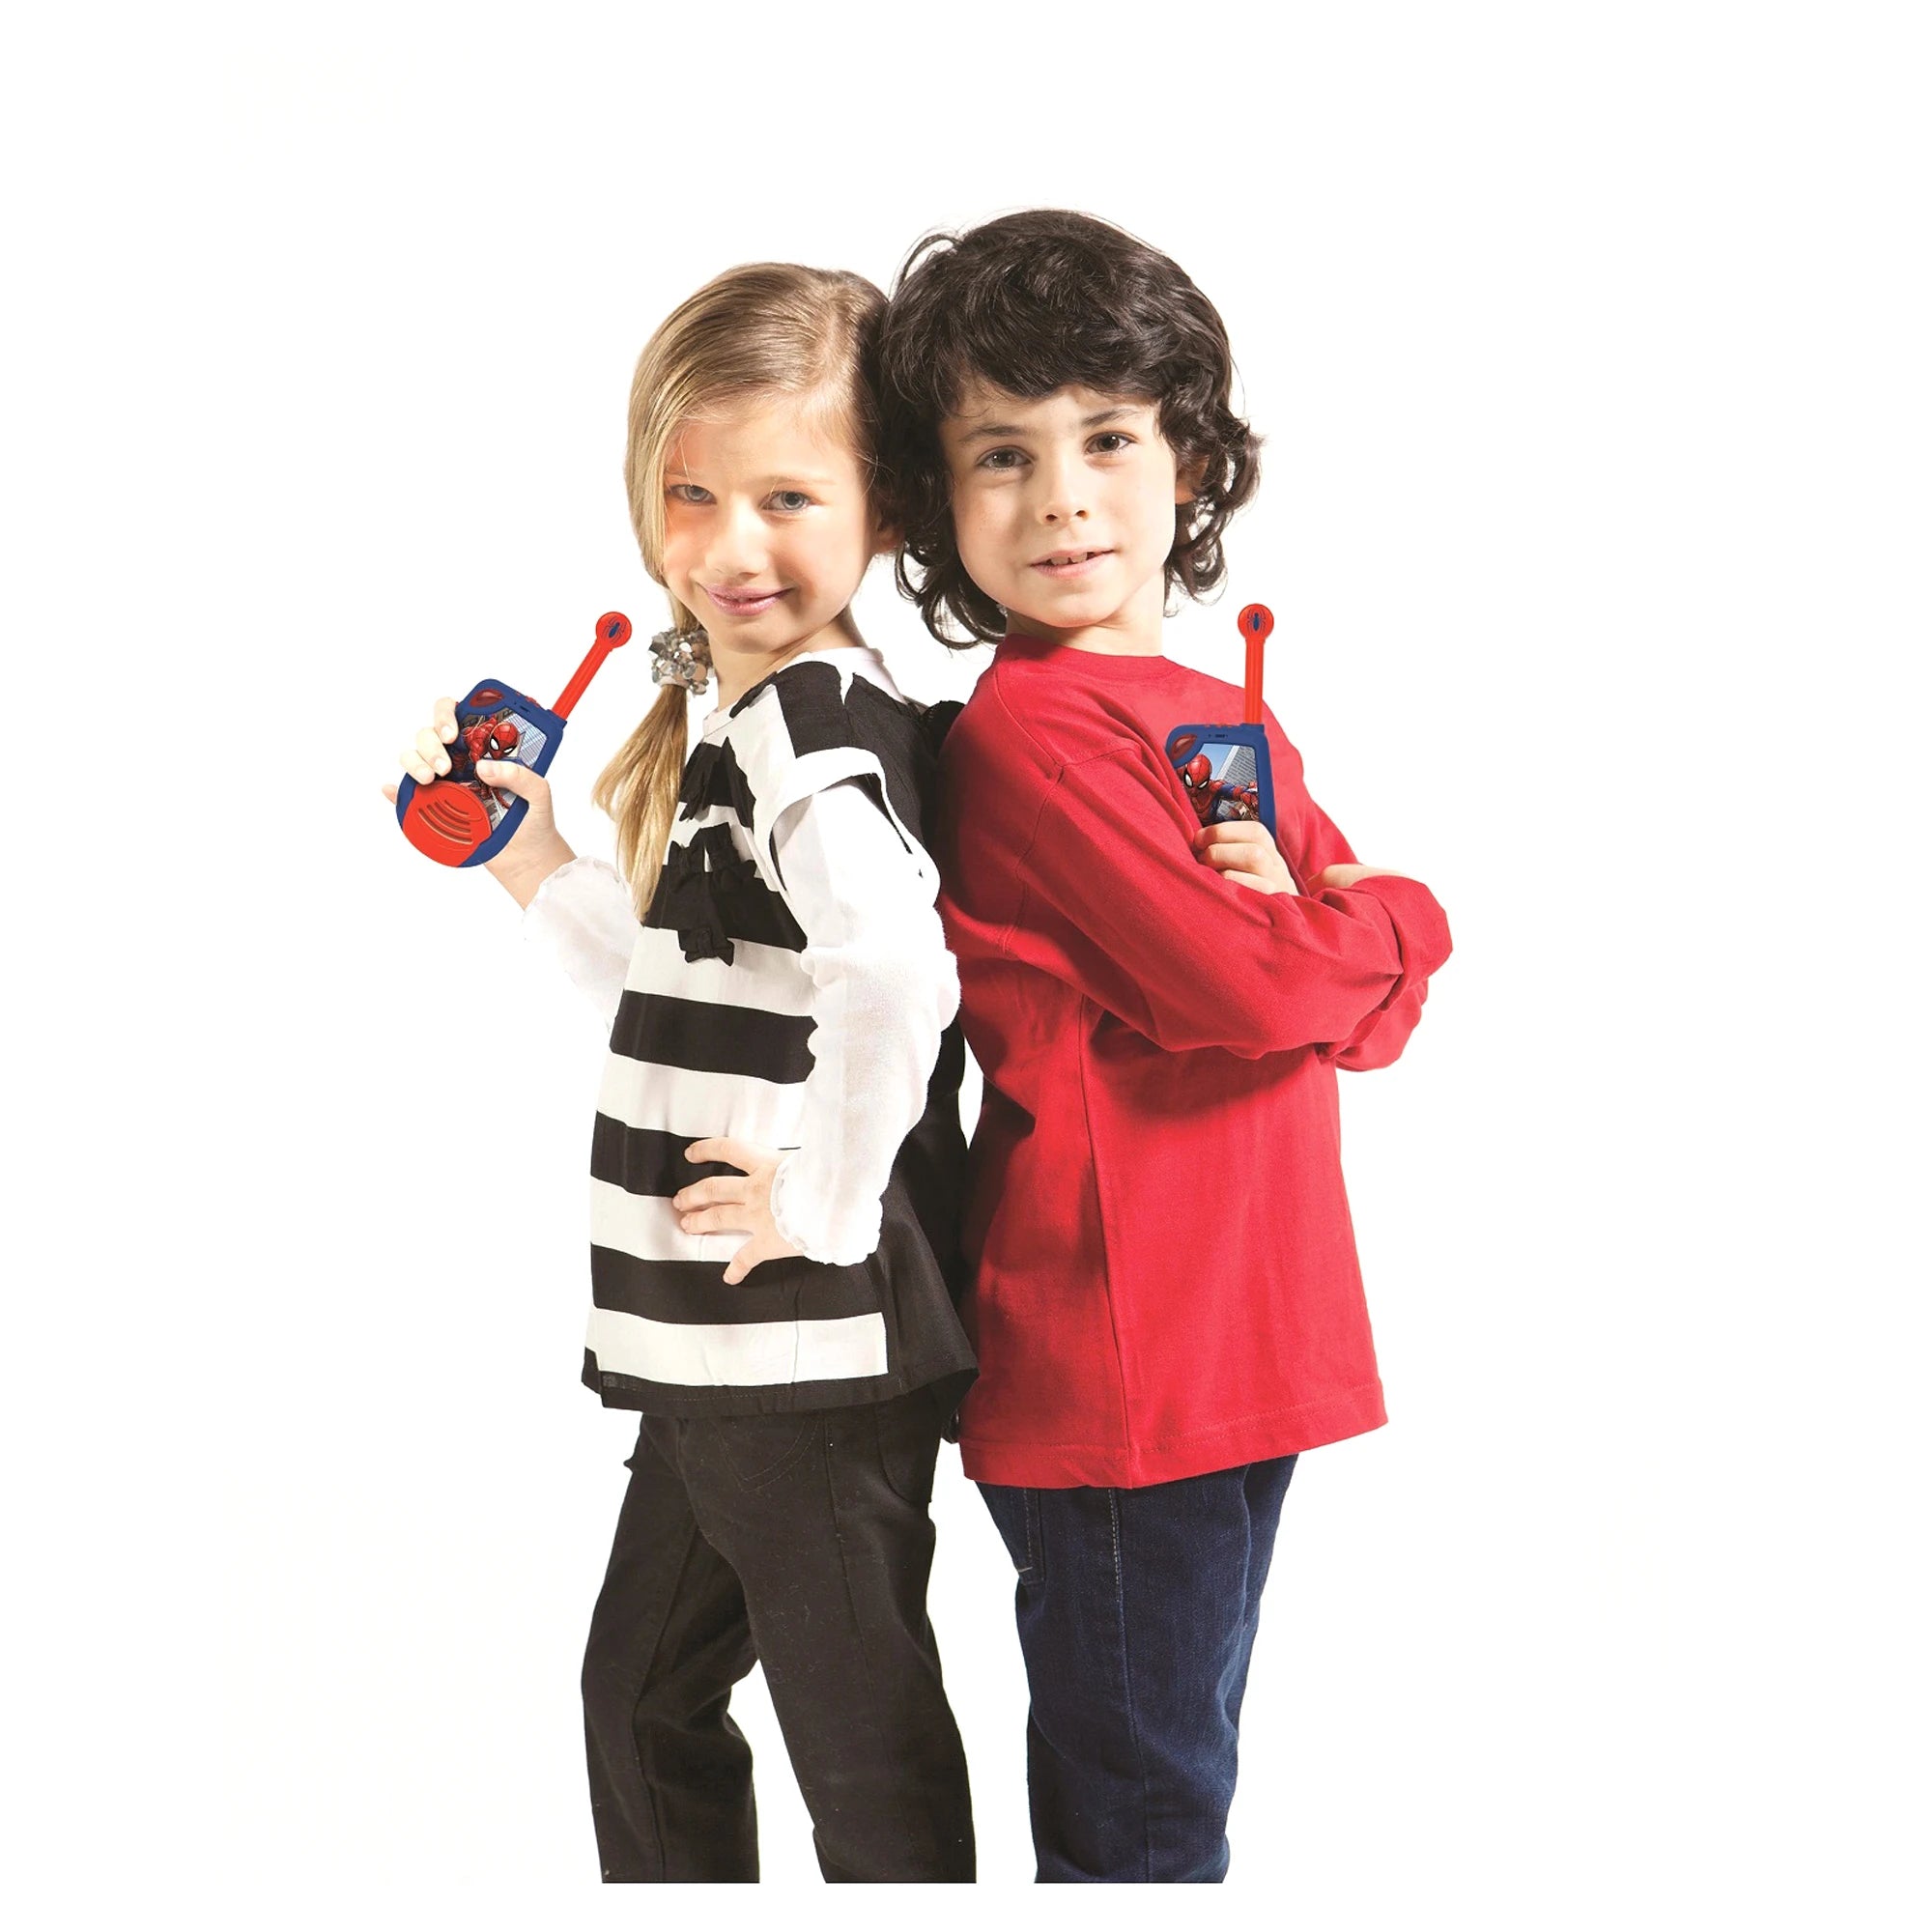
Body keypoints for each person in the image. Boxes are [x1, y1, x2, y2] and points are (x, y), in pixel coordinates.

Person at [876, 210, 1454, 1883]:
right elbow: (1263, 994)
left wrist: (1346, 939)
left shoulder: (1218, 714)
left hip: (1246, 1335)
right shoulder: (1035, 739)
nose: (1062, 496)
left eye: (1108, 439)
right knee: (1144, 1825)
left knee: (1174, 1789)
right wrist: (1393, 917)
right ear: (936, 502)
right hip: (1127, 1359)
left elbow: (1371, 1016)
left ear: (1189, 459)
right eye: (1004, 454)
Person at [386, 263, 977, 1883]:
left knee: (856, 1750)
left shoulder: (809, 733)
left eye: (789, 497)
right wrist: (529, 855)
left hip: (797, 1344)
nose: (731, 545)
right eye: (693, 494)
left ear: (886, 509)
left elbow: (898, 976)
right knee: (645, 1699)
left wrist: (825, 1208)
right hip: (726, 1344)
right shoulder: (747, 717)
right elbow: (682, 985)